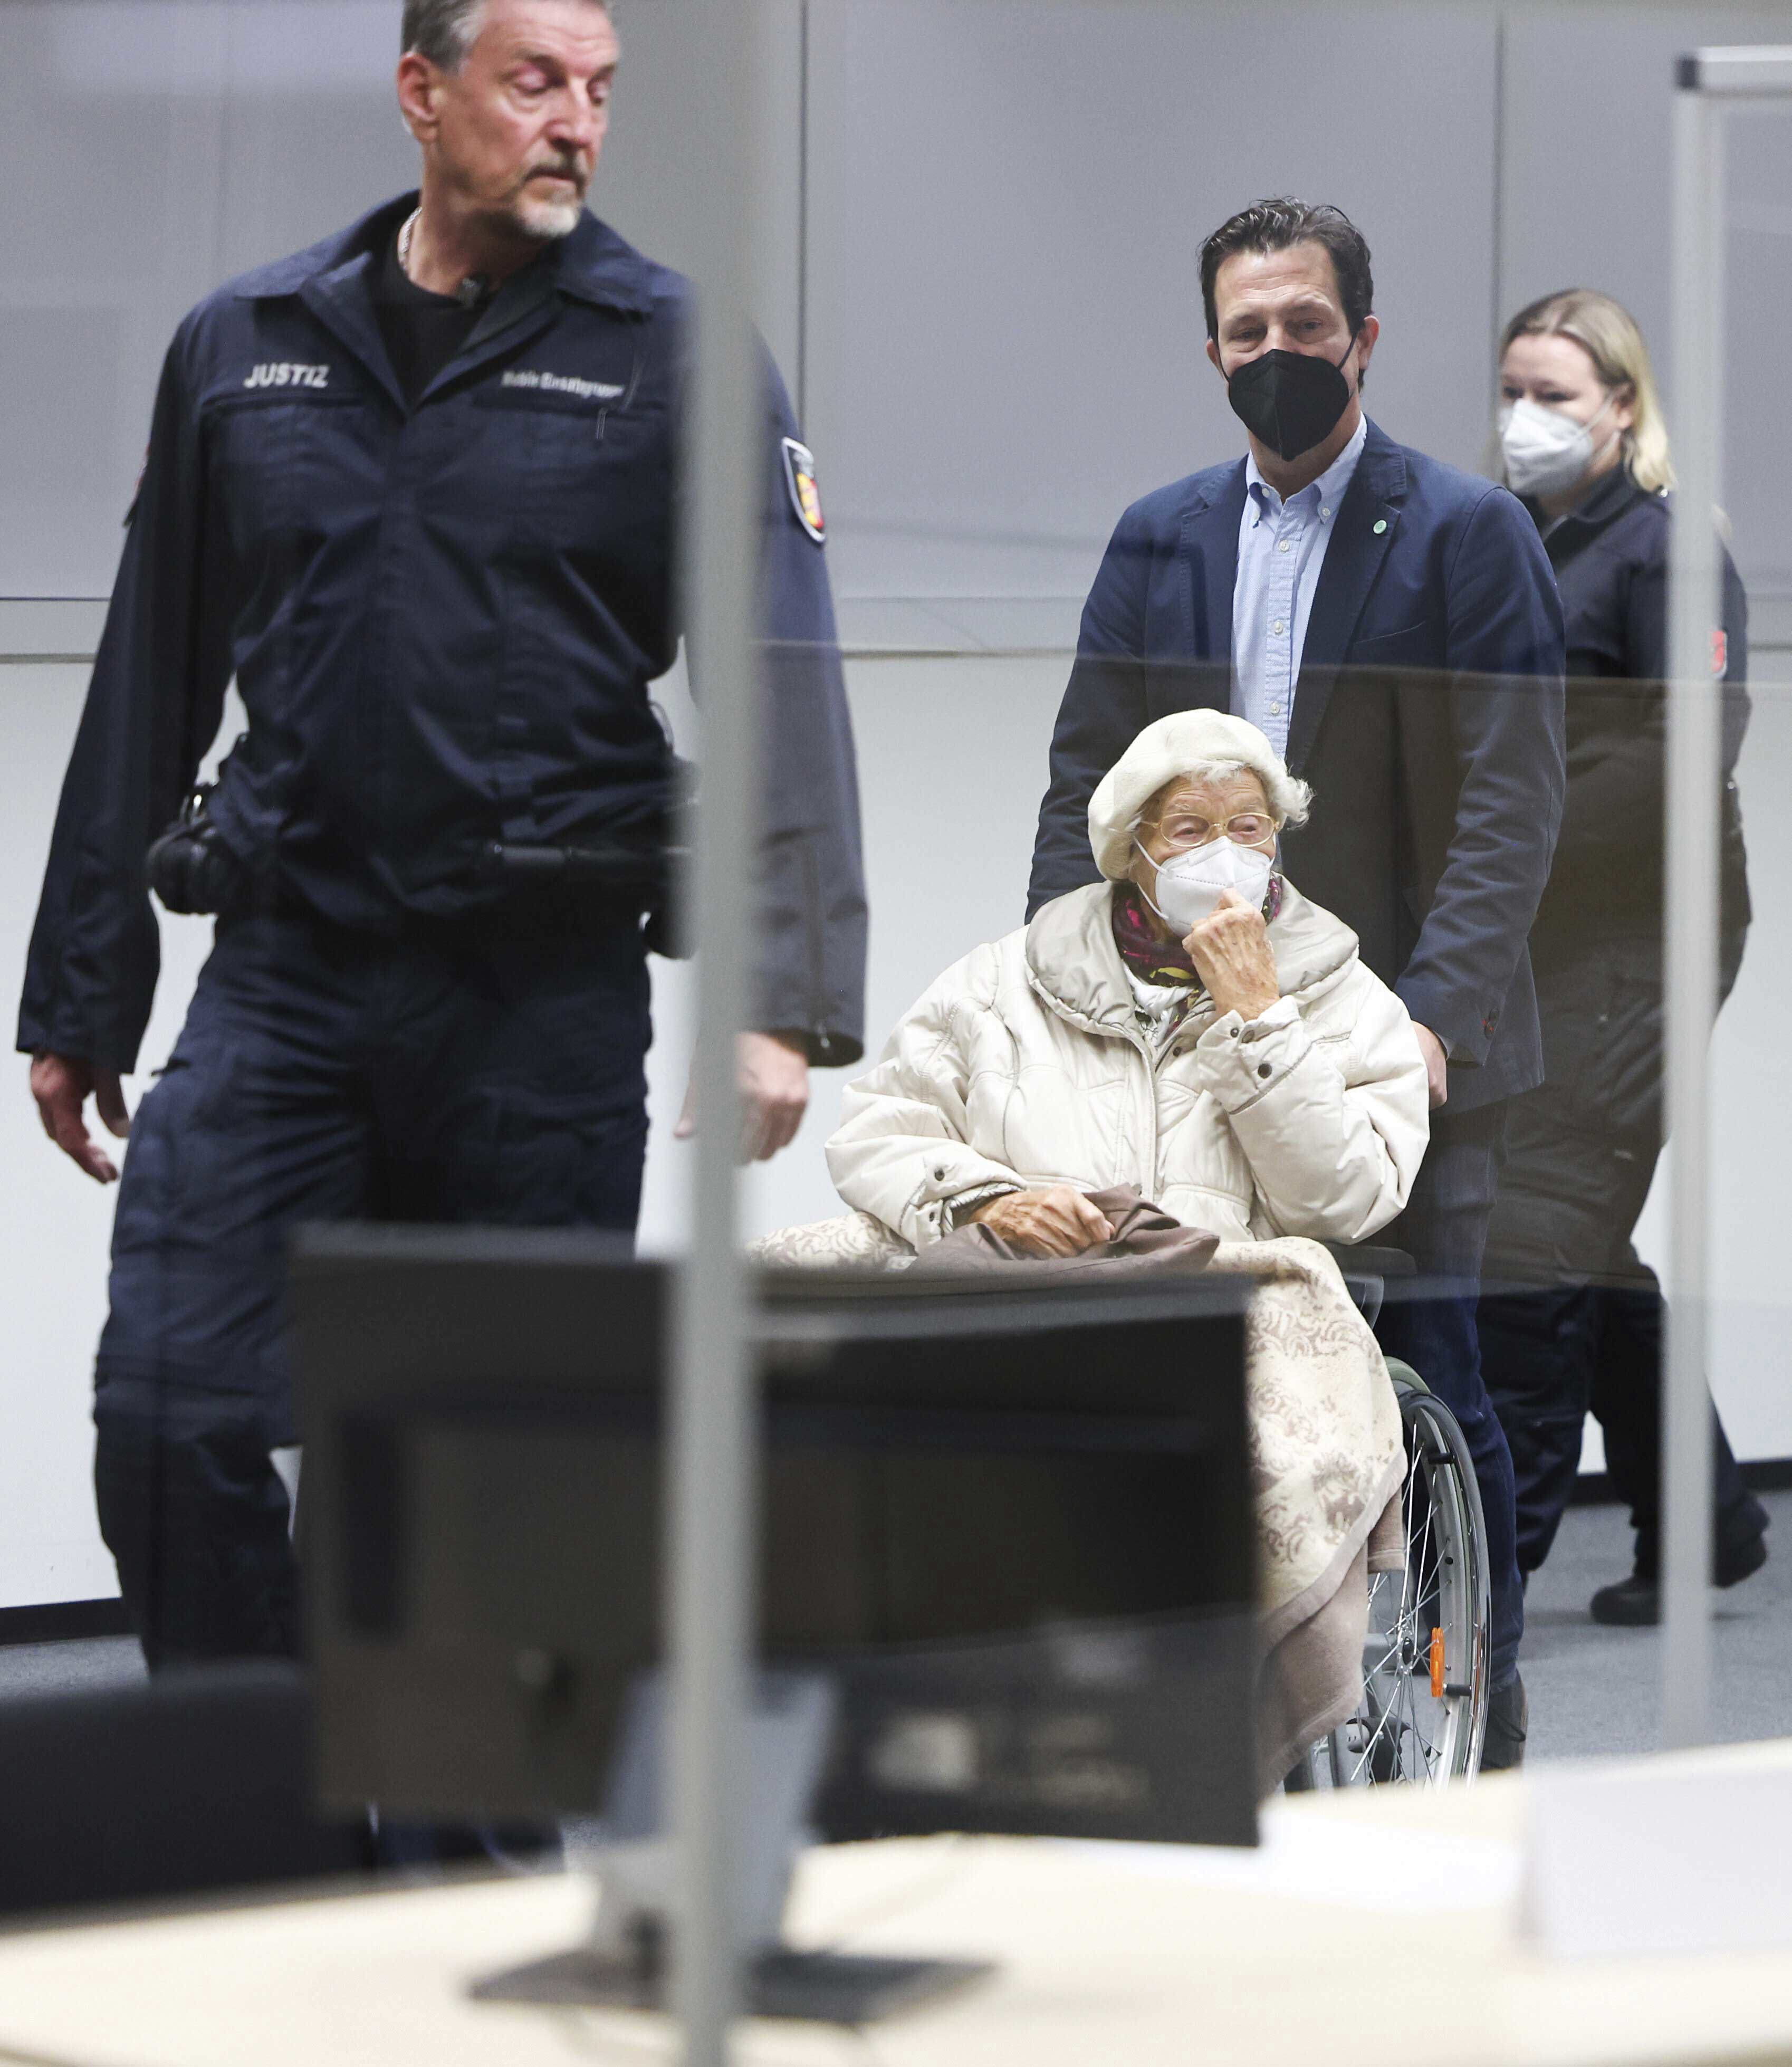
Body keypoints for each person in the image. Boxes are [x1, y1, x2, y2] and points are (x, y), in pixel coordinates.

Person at [17, 0, 867, 1669]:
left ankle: (461, 1873)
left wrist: (777, 993)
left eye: (600, 92)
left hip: (531, 1007)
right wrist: (79, 993)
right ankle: (259, 1802)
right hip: (284, 989)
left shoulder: (676, 351)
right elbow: (152, 673)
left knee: (493, 1475)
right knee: (172, 1411)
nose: (576, 124)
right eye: (534, 81)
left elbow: (779, 679)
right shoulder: (246, 342)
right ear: (422, 92)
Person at [1026, 198, 1567, 1766]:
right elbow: (1082, 790)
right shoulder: (1160, 535)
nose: (1276, 354)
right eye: (1247, 332)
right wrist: (1053, 992)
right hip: (1200, 1040)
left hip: (1408, 1039)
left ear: (1362, 340)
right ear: (1210, 350)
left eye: (1305, 328)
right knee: (1227, 1365)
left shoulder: (1468, 532)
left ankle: (1482, 1690)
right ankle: (1247, 1705)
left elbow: (1510, 800)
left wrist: (1429, 1015)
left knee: (1442, 1376)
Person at [819, 709, 1425, 1784]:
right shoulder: (1001, 981)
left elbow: (1346, 1196)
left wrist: (1259, 1021)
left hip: (1228, 1300)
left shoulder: (1347, 1000)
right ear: (1130, 850)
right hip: (1035, 1296)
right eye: (1188, 827)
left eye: (1250, 823)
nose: (1224, 849)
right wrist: (985, 1199)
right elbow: (879, 1130)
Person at [1475, 288, 1768, 1625]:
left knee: (1536, 1242)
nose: (1524, 420)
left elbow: (1678, 752)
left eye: (1555, 396)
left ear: (1623, 406)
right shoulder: (1522, 539)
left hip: (1644, 940)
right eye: (1513, 392)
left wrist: (1500, 831)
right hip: (1542, 934)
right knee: (1581, 1237)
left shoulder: (1663, 554)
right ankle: (1704, 1527)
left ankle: (1490, 1571)